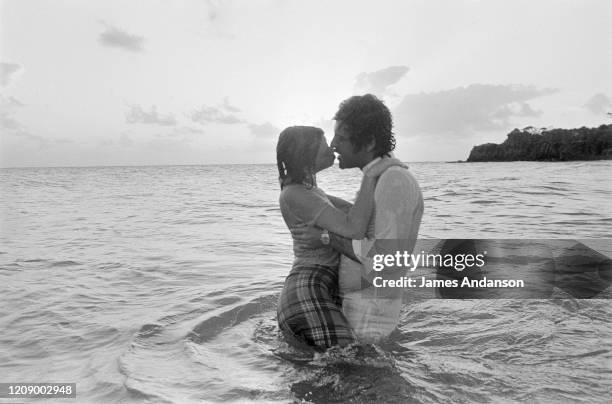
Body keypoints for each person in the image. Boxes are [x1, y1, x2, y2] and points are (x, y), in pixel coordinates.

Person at [294, 94, 424, 342]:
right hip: (361, 309)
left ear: (369, 142)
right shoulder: (378, 177)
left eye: (341, 138)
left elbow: (388, 259)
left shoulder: (393, 180)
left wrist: (325, 238)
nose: (333, 145)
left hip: (371, 318)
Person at [276, 125, 400, 351]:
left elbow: (357, 215)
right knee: (351, 362)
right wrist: (370, 175)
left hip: (319, 285)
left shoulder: (310, 191)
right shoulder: (296, 193)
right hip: (310, 285)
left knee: (341, 366)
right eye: (324, 146)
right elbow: (354, 229)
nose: (332, 148)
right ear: (305, 153)